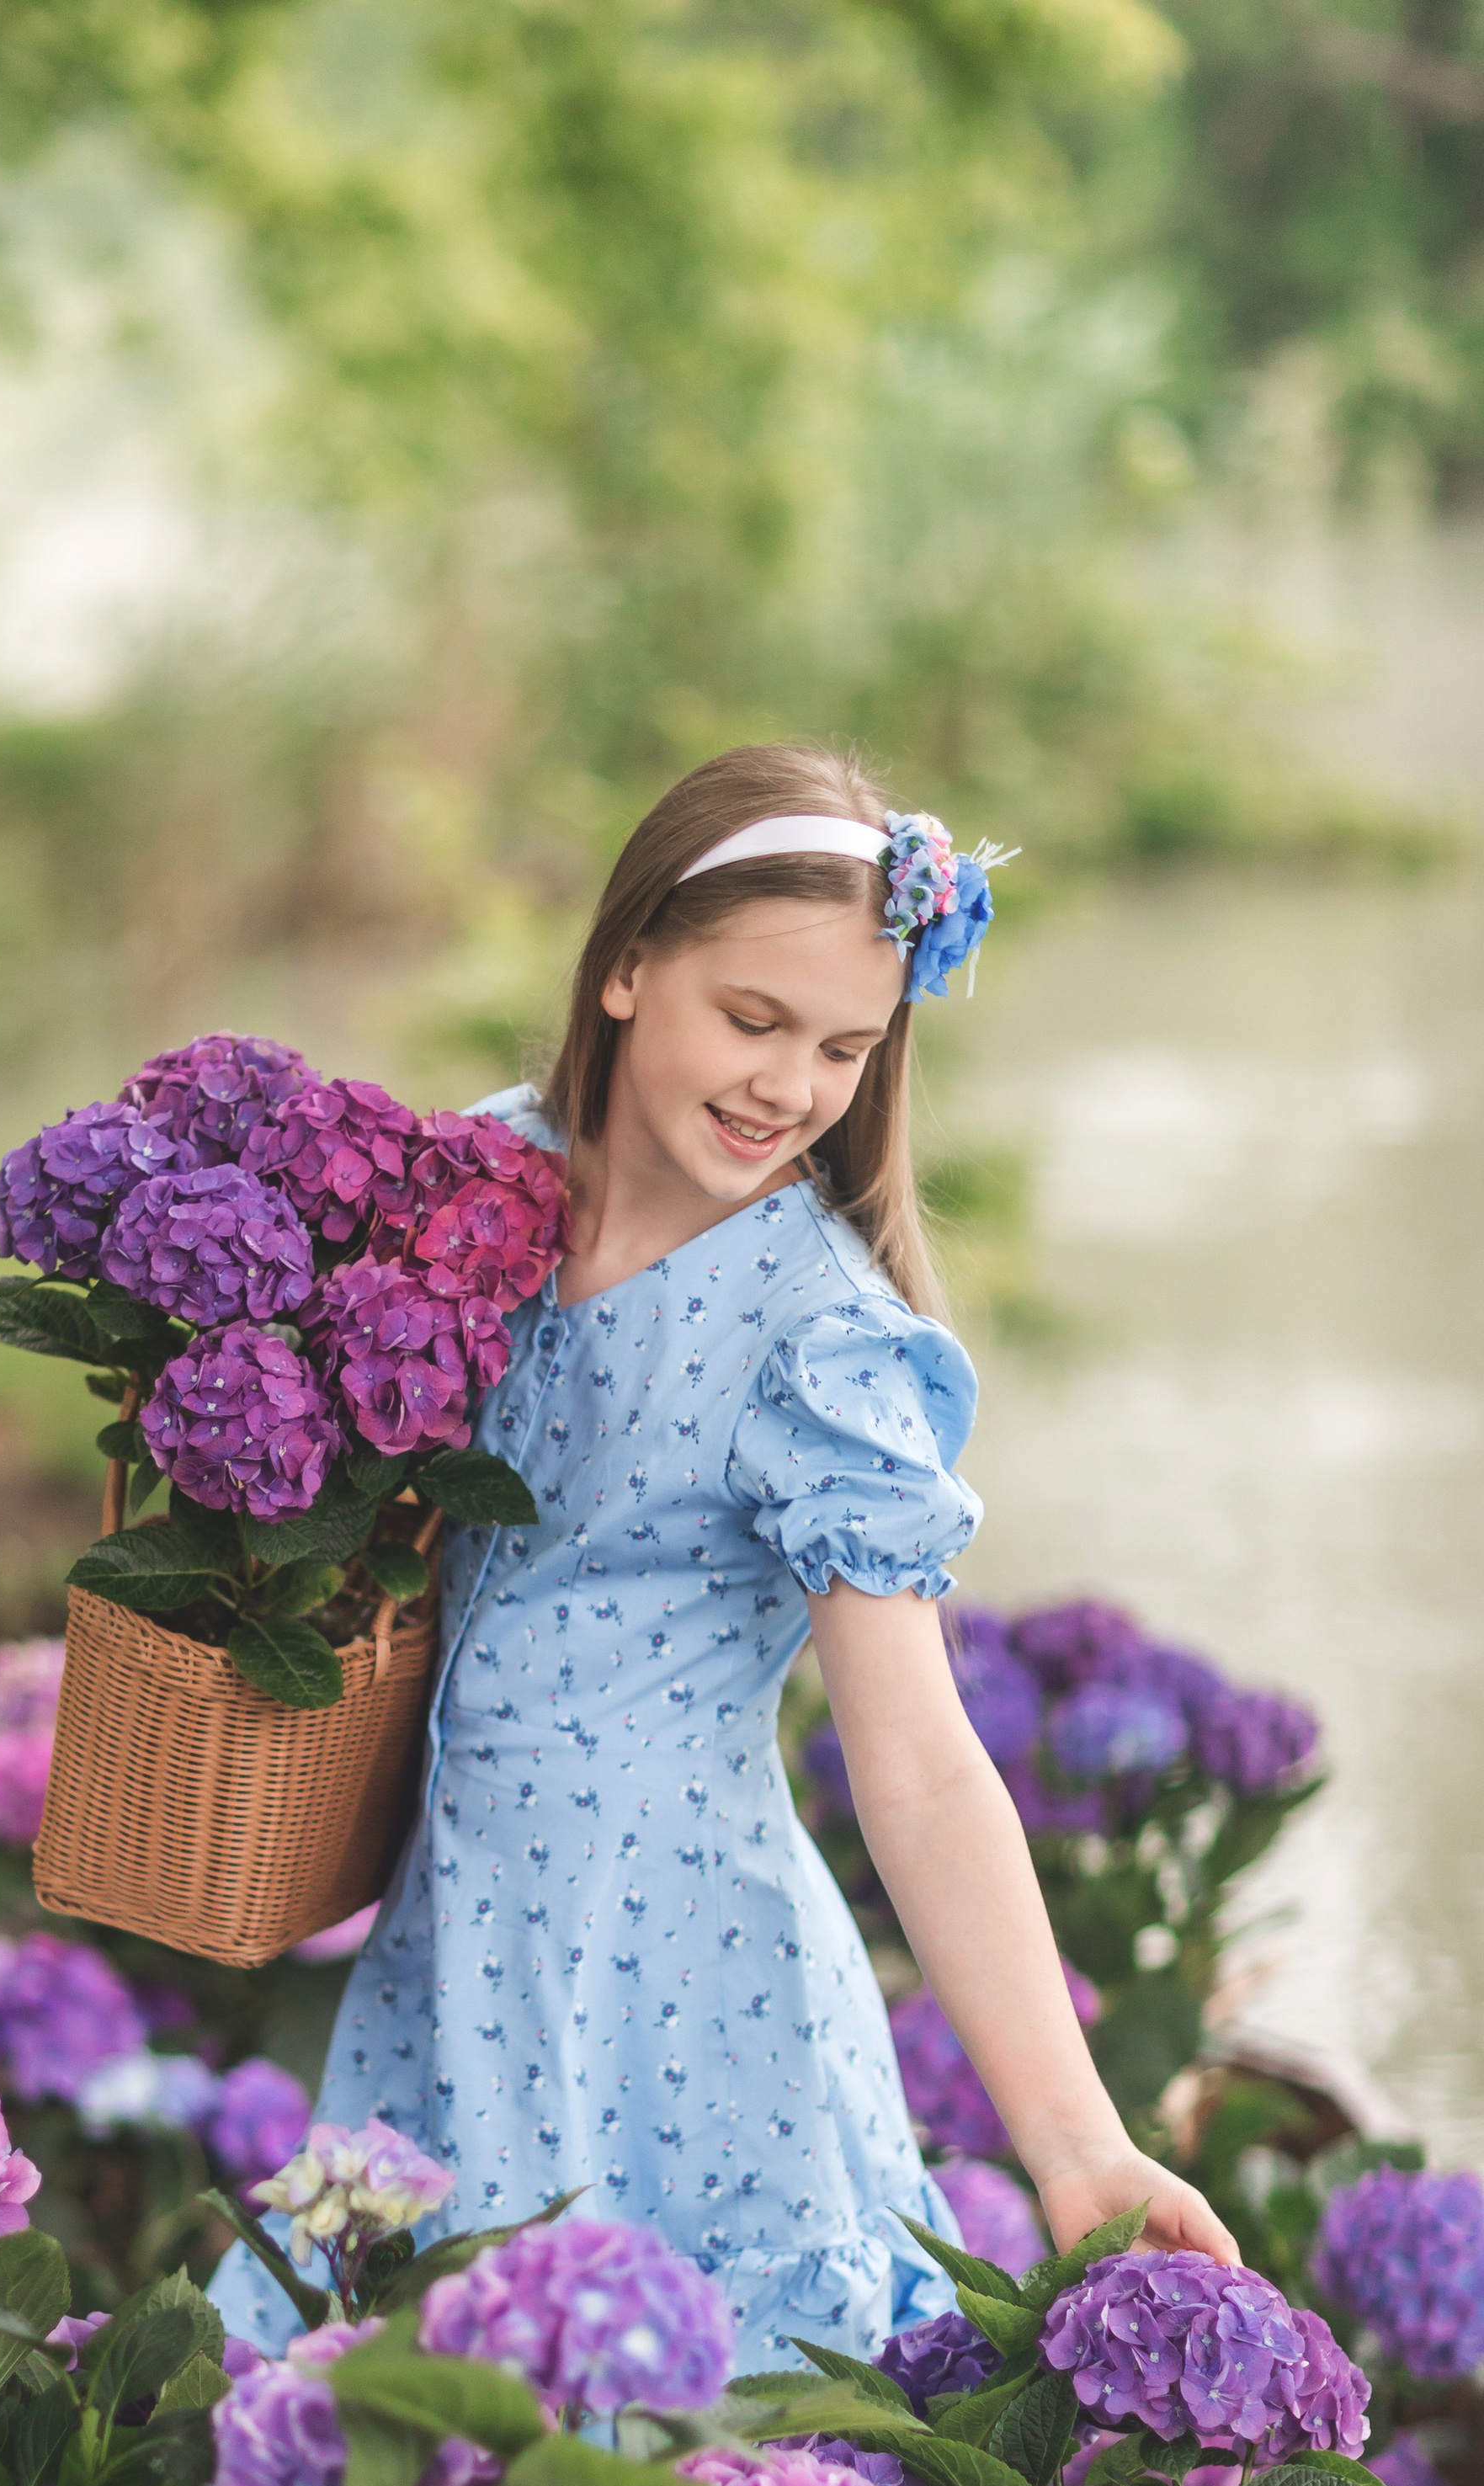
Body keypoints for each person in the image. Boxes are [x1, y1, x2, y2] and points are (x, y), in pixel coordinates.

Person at [213, 742, 1237, 2369]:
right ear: (627, 966)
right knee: (369, 2460)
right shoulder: (488, 1190)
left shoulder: (815, 1350)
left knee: (658, 2462)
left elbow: (916, 1767)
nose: (790, 1086)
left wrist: (1076, 2143)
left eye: (842, 1047)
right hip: (460, 1947)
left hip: (681, 1989)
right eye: (752, 1021)